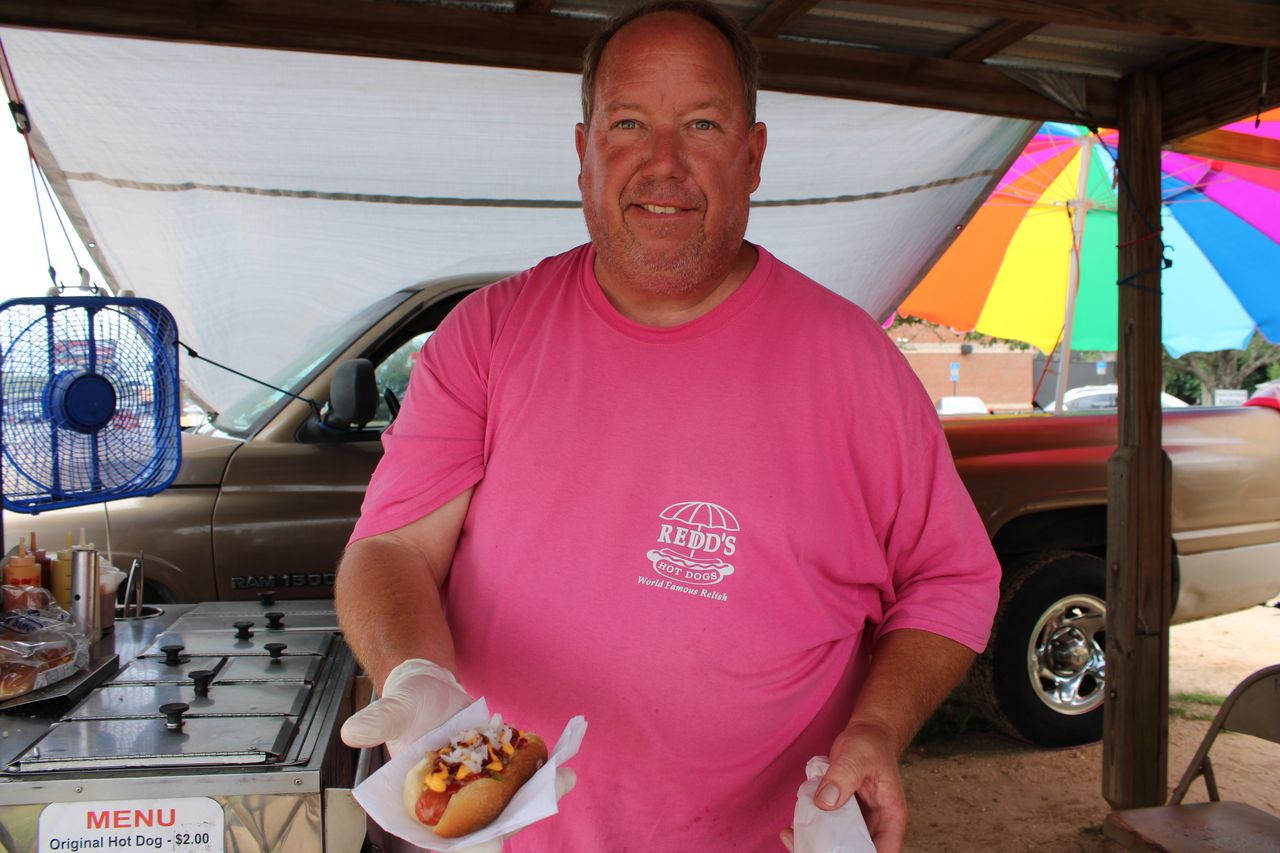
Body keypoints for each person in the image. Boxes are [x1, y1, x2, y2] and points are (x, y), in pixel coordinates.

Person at [336, 2, 1000, 851]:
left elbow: (950, 579)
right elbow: (390, 548)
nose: (663, 162)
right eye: (628, 124)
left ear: (752, 156)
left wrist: (877, 729)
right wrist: (418, 674)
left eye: (701, 124)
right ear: (583, 152)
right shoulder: (490, 335)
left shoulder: (854, 363)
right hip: (507, 836)